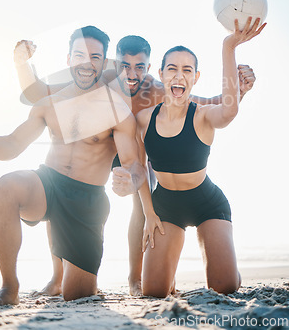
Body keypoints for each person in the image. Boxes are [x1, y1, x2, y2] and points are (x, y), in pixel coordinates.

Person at [13, 35, 257, 296]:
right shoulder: (97, 79)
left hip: (138, 150)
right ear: (114, 64)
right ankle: (58, 276)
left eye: (140, 67)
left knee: (145, 195)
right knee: (64, 183)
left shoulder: (158, 90)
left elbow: (209, 105)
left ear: (150, 69)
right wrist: (22, 64)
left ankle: (134, 277)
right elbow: (39, 92)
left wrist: (239, 89)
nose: (132, 73)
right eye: (125, 66)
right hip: (103, 146)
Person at [0, 25, 146, 306]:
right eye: (80, 55)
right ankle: (9, 288)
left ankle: (69, 277)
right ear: (68, 59)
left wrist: (130, 181)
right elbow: (13, 144)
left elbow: (135, 164)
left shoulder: (117, 110)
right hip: (47, 185)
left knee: (78, 294)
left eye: (95, 57)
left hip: (86, 200)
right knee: (7, 185)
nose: (87, 63)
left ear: (103, 62)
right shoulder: (49, 103)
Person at [136, 17, 266, 297]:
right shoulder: (144, 119)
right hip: (165, 206)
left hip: (207, 203)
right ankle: (167, 273)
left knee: (225, 287)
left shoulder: (204, 115)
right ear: (161, 73)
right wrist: (148, 213)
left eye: (187, 70)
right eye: (172, 69)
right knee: (154, 291)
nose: (179, 76)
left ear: (195, 77)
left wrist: (229, 47)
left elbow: (229, 110)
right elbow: (137, 168)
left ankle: (231, 270)